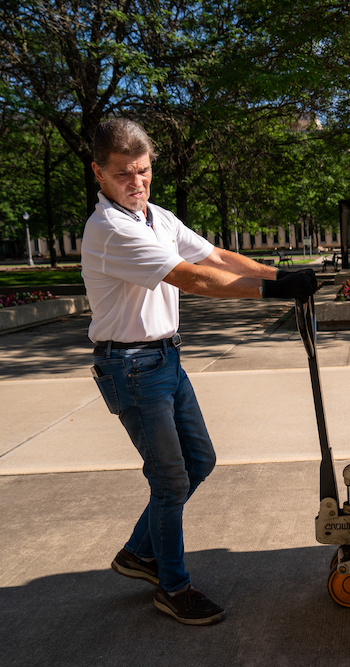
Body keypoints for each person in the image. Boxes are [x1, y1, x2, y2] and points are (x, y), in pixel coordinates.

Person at [83, 118, 319, 625]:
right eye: (124, 174)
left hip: (165, 357)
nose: (137, 183)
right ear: (99, 173)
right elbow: (192, 278)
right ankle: (173, 587)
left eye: (144, 172)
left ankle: (137, 554)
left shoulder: (156, 218)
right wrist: (272, 293)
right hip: (130, 367)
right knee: (169, 480)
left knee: (200, 461)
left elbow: (213, 254)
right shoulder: (110, 230)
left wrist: (282, 274)